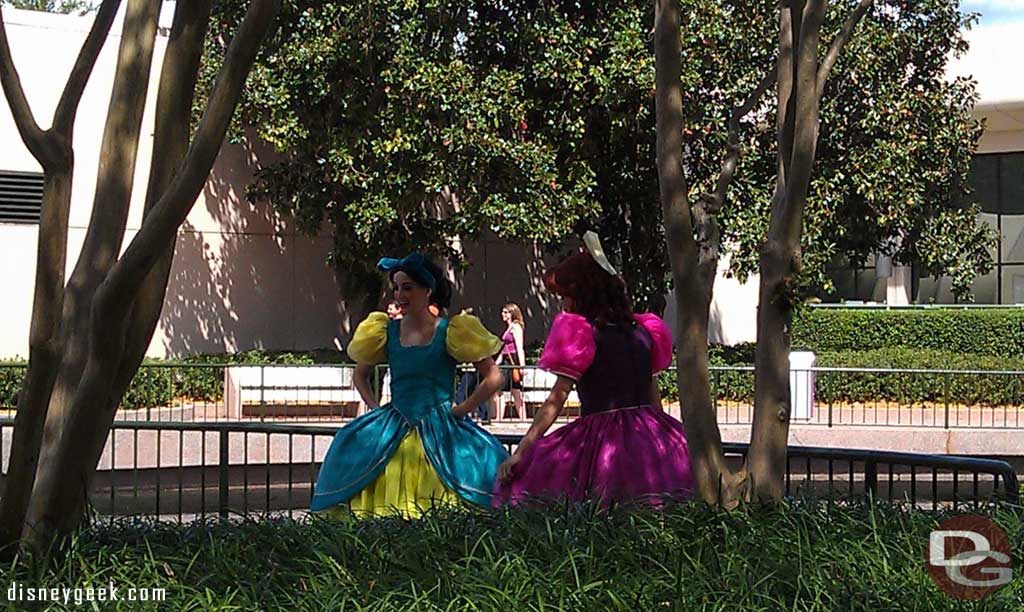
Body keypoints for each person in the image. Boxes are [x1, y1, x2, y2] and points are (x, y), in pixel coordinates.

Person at [493, 232, 693, 506]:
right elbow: (652, 392)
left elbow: (556, 398)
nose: (564, 304)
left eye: (566, 296)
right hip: (649, 432)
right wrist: (661, 444)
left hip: (603, 442)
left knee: (600, 510)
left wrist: (522, 452)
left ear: (584, 294)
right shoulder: (644, 331)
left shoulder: (583, 333)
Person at [312, 252, 509, 517]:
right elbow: (360, 375)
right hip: (394, 424)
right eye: (396, 288)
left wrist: (462, 410)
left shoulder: (452, 331)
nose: (399, 294)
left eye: (408, 287)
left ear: (428, 290)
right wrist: (376, 408)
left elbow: (494, 376)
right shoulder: (386, 331)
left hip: (440, 429)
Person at [454, 308, 492, 424]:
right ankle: (484, 416)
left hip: (470, 368)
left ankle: (460, 415)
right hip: (471, 367)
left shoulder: (470, 334)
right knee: (475, 390)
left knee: (462, 392)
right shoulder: (475, 333)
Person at [495, 303, 526, 420]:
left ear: (512, 313)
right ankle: (522, 418)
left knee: (502, 390)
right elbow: (504, 349)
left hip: (512, 361)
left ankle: (499, 418)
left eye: (506, 312)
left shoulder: (516, 327)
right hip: (506, 360)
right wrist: (497, 362)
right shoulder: (509, 327)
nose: (503, 314)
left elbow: (519, 347)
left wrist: (522, 366)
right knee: (513, 390)